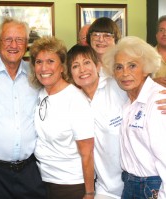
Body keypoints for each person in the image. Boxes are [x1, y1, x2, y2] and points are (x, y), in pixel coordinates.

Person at [0, 17, 47, 199]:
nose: (13, 45)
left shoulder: (36, 74)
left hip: (30, 171)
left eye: (19, 40)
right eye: (8, 39)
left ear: (26, 44)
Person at [29, 36, 95, 199]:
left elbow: (87, 152)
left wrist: (89, 192)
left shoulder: (75, 99)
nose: (44, 68)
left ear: (61, 66)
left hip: (71, 185)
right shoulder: (42, 93)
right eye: (38, 62)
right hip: (44, 180)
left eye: (50, 61)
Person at [103, 36, 166, 199]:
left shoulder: (158, 102)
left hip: (152, 187)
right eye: (119, 67)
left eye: (132, 66)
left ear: (145, 68)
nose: (125, 73)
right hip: (131, 184)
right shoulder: (129, 102)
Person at [67, 44, 126, 199]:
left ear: (98, 65)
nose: (82, 70)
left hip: (134, 182)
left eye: (87, 63)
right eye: (75, 66)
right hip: (104, 188)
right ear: (70, 73)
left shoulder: (117, 86)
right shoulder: (74, 100)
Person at [153, 15, 166, 87]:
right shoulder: (146, 56)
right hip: (154, 97)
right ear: (156, 35)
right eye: (161, 30)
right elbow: (137, 81)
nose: (165, 34)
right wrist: (153, 82)